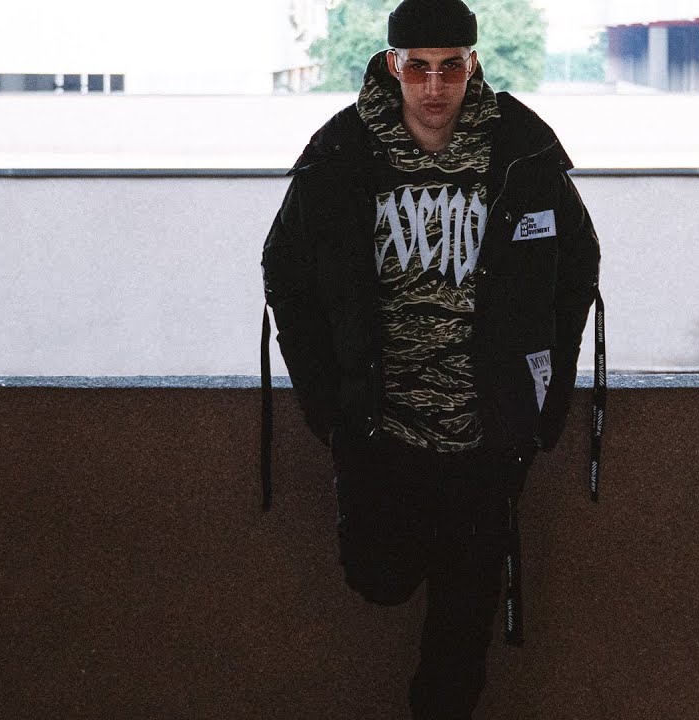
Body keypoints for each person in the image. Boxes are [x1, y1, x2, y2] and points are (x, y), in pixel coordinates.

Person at [260, 0, 601, 717]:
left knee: (462, 629)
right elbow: (284, 271)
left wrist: (548, 387)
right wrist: (325, 399)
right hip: (383, 433)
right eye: (418, 68)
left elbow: (578, 266)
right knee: (378, 577)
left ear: (473, 65)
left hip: (488, 434)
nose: (435, 86)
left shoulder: (521, 153)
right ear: (393, 67)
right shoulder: (342, 154)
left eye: (451, 67)